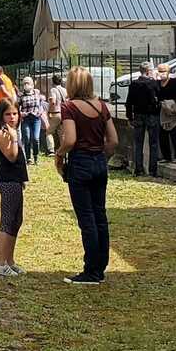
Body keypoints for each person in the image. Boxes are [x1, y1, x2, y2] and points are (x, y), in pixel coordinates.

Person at [56, 66, 117, 284]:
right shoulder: (101, 106)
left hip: (80, 162)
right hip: (99, 161)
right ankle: (100, 267)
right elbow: (113, 140)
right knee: (100, 215)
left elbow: (70, 139)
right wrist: (101, 157)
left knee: (86, 218)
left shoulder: (69, 107)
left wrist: (59, 154)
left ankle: (90, 270)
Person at [0, 98, 27, 277]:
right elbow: (11, 156)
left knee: (16, 220)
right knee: (7, 220)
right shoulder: (1, 134)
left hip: (16, 179)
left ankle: (9, 260)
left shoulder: (12, 131)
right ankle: (0, 263)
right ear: (1, 116)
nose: (12, 117)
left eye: (15, 113)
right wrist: (14, 139)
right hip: (7, 180)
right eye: (7, 114)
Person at [126, 62, 161, 176]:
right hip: (152, 114)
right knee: (153, 143)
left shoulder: (134, 84)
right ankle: (153, 170)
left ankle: (139, 169)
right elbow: (158, 97)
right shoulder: (153, 83)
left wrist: (129, 116)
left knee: (138, 143)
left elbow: (129, 102)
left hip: (138, 114)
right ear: (148, 71)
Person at [156, 63, 176, 165]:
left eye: (164, 71)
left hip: (173, 113)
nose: (162, 73)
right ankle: (166, 156)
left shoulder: (174, 83)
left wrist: (169, 104)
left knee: (175, 135)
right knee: (162, 135)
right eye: (160, 71)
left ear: (168, 72)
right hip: (161, 113)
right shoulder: (157, 84)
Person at [17, 77, 47, 165]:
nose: (26, 85)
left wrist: (40, 112)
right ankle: (28, 158)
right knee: (27, 138)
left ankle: (36, 156)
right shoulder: (21, 96)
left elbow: (41, 105)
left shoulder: (37, 94)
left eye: (28, 83)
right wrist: (21, 113)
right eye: (25, 83)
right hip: (26, 119)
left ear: (32, 84)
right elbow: (16, 107)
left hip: (36, 119)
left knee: (36, 138)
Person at [46, 74, 67, 156]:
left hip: (55, 113)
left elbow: (53, 102)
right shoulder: (64, 90)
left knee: (49, 132)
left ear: (52, 81)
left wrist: (49, 111)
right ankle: (64, 150)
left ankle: (51, 150)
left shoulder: (53, 90)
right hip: (64, 113)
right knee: (61, 132)